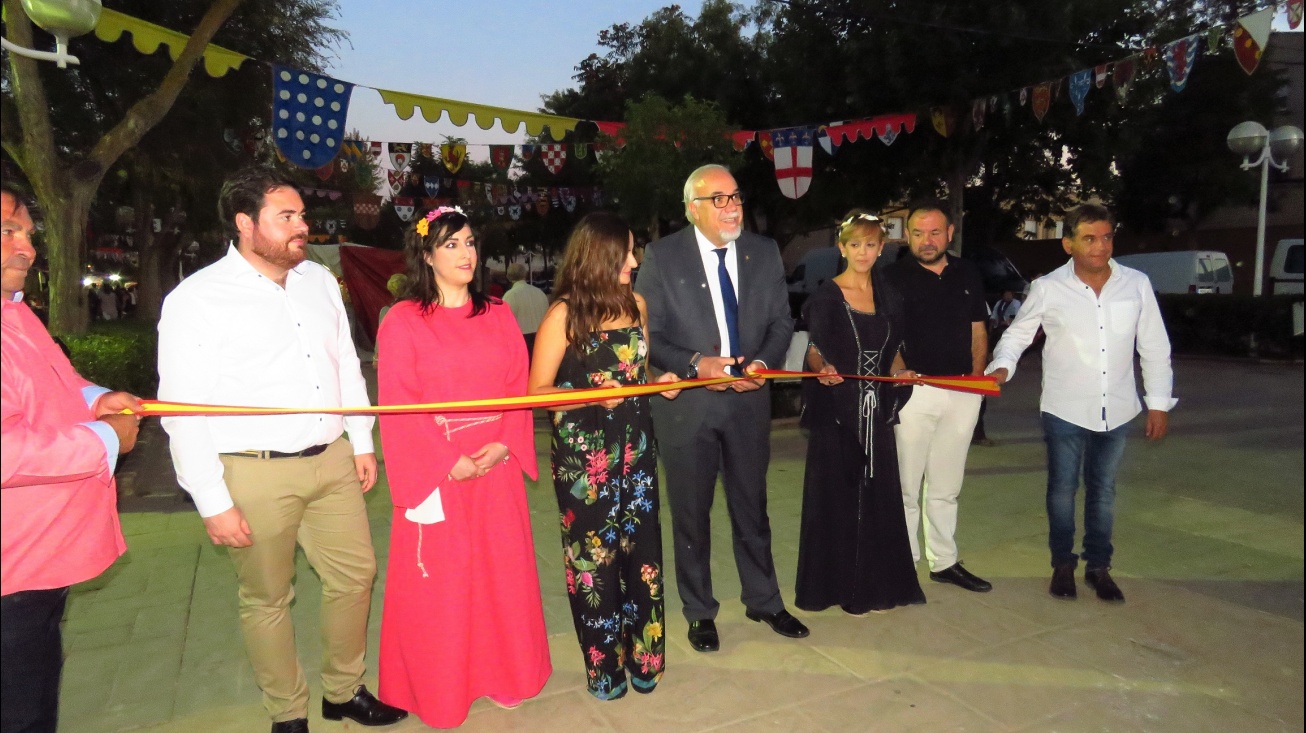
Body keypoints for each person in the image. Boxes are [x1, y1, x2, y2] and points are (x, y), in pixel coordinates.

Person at [157, 167, 405, 733]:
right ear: (245, 224)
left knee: (355, 576)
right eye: (286, 217)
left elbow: (345, 360)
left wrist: (361, 441)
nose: (302, 227)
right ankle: (287, 712)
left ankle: (343, 691)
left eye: (301, 215)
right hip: (253, 471)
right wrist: (211, 500)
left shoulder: (318, 281)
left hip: (332, 459)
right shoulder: (197, 299)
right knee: (268, 597)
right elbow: (182, 409)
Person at [376, 207, 550, 726]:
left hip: (494, 470)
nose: (466, 253)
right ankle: (442, 686)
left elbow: (518, 388)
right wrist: (446, 460)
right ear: (426, 255)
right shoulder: (403, 321)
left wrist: (504, 444)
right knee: (444, 587)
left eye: (471, 242)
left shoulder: (498, 315)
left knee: (500, 575)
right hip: (439, 473)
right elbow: (396, 402)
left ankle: (505, 674)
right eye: (452, 245)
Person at [635, 164, 807, 652]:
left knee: (752, 508)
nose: (732, 206)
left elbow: (780, 320)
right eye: (719, 199)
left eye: (735, 196)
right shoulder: (663, 257)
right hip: (688, 408)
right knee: (692, 513)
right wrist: (696, 364)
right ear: (692, 208)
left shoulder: (763, 251)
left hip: (749, 405)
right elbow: (653, 337)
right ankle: (699, 611)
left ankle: (765, 599)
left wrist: (762, 364)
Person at [1, 184, 141, 733]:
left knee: (36, 689)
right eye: (8, 231)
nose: (27, 248)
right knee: (22, 711)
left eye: (27, 234)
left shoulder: (14, 310)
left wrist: (95, 399)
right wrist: (107, 441)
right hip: (12, 572)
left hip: (38, 560)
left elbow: (58, 379)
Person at [527, 212, 681, 700]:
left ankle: (646, 658)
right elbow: (536, 394)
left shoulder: (637, 305)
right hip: (583, 463)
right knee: (594, 564)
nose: (634, 262)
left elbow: (638, 370)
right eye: (626, 253)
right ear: (599, 257)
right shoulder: (563, 316)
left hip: (635, 452)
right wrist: (589, 395)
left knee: (644, 558)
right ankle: (604, 669)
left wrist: (658, 382)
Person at [988, 204, 1175, 603]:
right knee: (1062, 489)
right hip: (1064, 407)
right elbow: (1019, 334)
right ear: (1068, 243)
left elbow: (1155, 346)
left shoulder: (1135, 284)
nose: (1100, 246)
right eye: (1090, 238)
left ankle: (1098, 567)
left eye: (1107, 237)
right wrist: (1002, 367)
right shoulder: (1048, 287)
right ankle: (1062, 565)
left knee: (1103, 490)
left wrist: (1158, 402)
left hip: (1119, 406)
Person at [795, 210, 926, 616]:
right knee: (839, 496)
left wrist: (901, 370)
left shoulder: (889, 296)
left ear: (880, 248)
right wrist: (823, 370)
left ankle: (875, 585)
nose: (863, 252)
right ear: (842, 248)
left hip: (877, 412)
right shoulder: (826, 296)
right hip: (839, 414)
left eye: (871, 244)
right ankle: (835, 587)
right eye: (855, 245)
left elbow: (894, 348)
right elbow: (814, 349)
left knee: (877, 495)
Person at [884, 200, 993, 594]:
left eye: (934, 232)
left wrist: (976, 384)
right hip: (916, 393)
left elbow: (978, 329)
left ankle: (944, 561)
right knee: (906, 486)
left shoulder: (967, 272)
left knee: (947, 485)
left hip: (962, 392)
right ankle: (904, 564)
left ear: (949, 234)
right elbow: (887, 335)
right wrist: (898, 371)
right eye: (917, 233)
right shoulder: (892, 277)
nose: (926, 241)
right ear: (907, 236)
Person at [502, 262, 549, 357]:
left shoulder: (510, 295)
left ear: (508, 277)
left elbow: (504, 322)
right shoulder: (539, 293)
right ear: (525, 274)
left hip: (521, 340)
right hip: (542, 338)